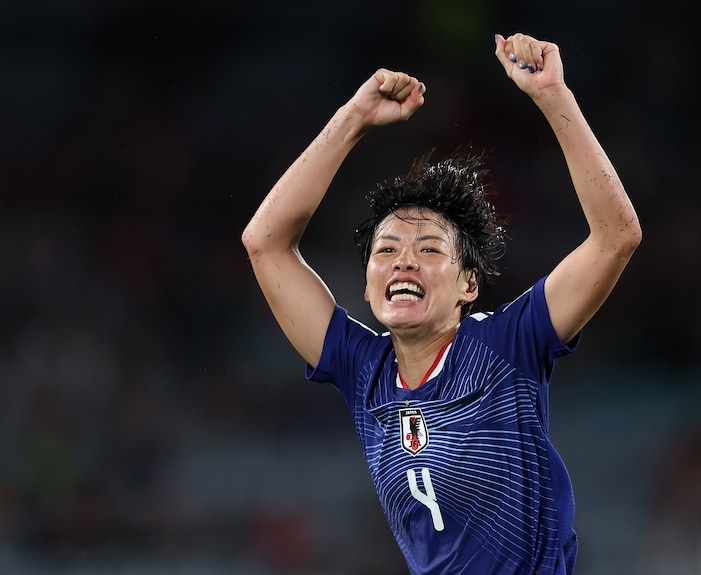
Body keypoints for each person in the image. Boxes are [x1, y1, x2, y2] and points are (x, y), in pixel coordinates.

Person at [242, 32, 641, 575]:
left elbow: (615, 236)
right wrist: (352, 117)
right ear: (366, 285)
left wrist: (553, 95)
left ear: (468, 286)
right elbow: (264, 242)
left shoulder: (508, 344)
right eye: (387, 250)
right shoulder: (365, 371)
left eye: (429, 249)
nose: (404, 261)